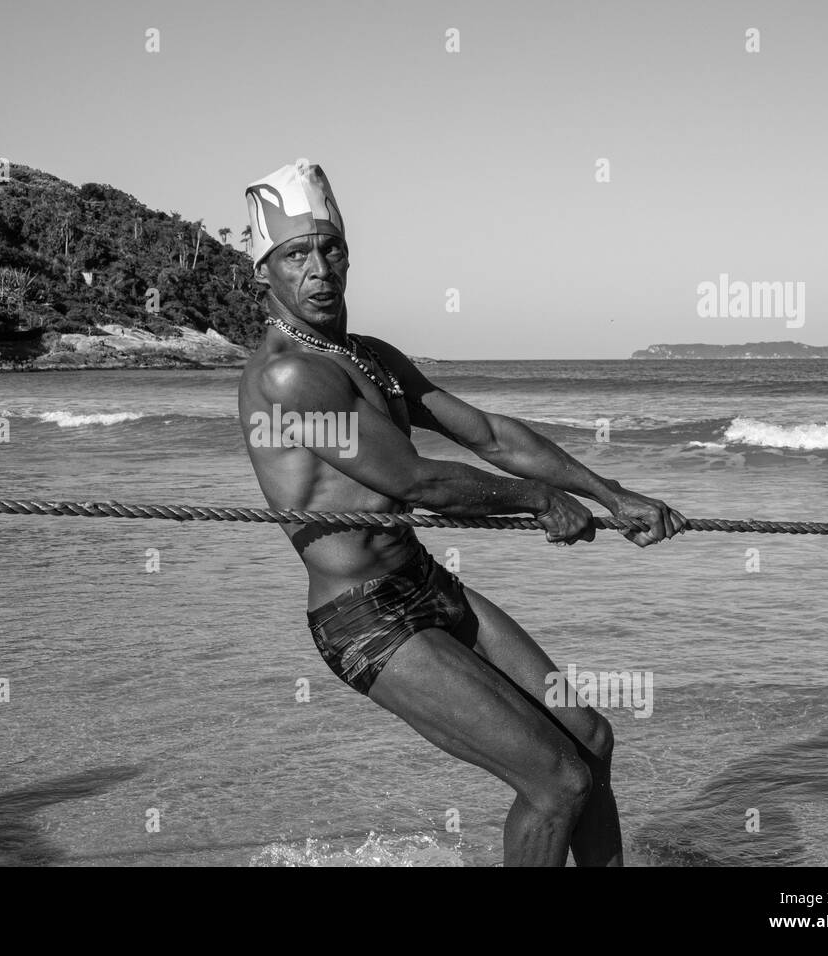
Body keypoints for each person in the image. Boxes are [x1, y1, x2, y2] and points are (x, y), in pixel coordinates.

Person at [238, 159, 687, 866]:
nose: (319, 268)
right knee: (555, 781)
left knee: (591, 742)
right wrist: (542, 501)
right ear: (265, 270)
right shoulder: (290, 377)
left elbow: (488, 434)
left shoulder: (370, 358)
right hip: (365, 619)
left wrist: (608, 492)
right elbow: (419, 481)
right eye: (296, 254)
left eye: (331, 249)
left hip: (422, 581)